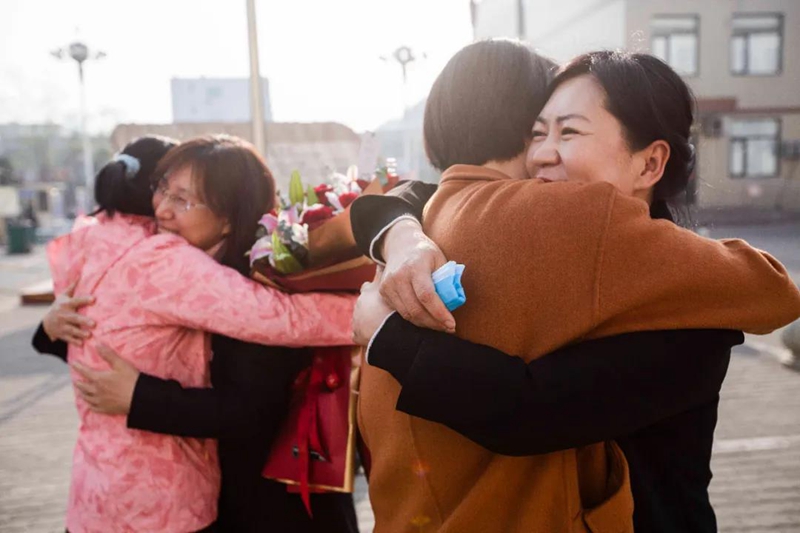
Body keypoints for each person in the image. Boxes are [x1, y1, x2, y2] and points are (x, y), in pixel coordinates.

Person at [350, 44, 800, 533]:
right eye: (536, 133)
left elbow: (531, 409)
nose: (541, 154)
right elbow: (424, 193)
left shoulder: (692, 307)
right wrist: (400, 232)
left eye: (569, 132)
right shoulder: (546, 239)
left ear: (649, 164)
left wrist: (389, 335)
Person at [32, 135, 358, 533]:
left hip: (274, 504)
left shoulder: (262, 282)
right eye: (162, 189)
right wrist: (51, 327)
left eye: (183, 200)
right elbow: (114, 337)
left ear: (228, 216)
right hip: (191, 502)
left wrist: (139, 397)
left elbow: (252, 411)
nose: (162, 210)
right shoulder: (167, 265)